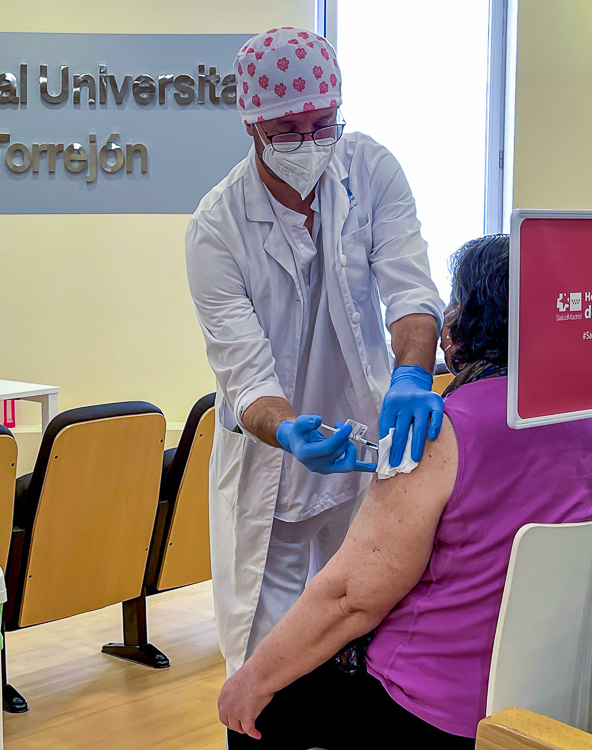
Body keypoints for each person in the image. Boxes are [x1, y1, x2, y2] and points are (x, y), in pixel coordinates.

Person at [217, 234, 592, 748]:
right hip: (566, 695)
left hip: (439, 713)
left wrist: (251, 680)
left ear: (467, 321)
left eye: (453, 301)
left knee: (253, 715)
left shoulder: (436, 433)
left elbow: (351, 599)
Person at [186, 27, 445, 677]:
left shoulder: (371, 170)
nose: (310, 143)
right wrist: (287, 431)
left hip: (366, 447)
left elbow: (411, 290)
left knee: (366, 639)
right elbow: (245, 374)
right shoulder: (216, 229)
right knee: (266, 658)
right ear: (252, 125)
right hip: (272, 467)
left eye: (323, 123)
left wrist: (413, 375)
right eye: (288, 130)